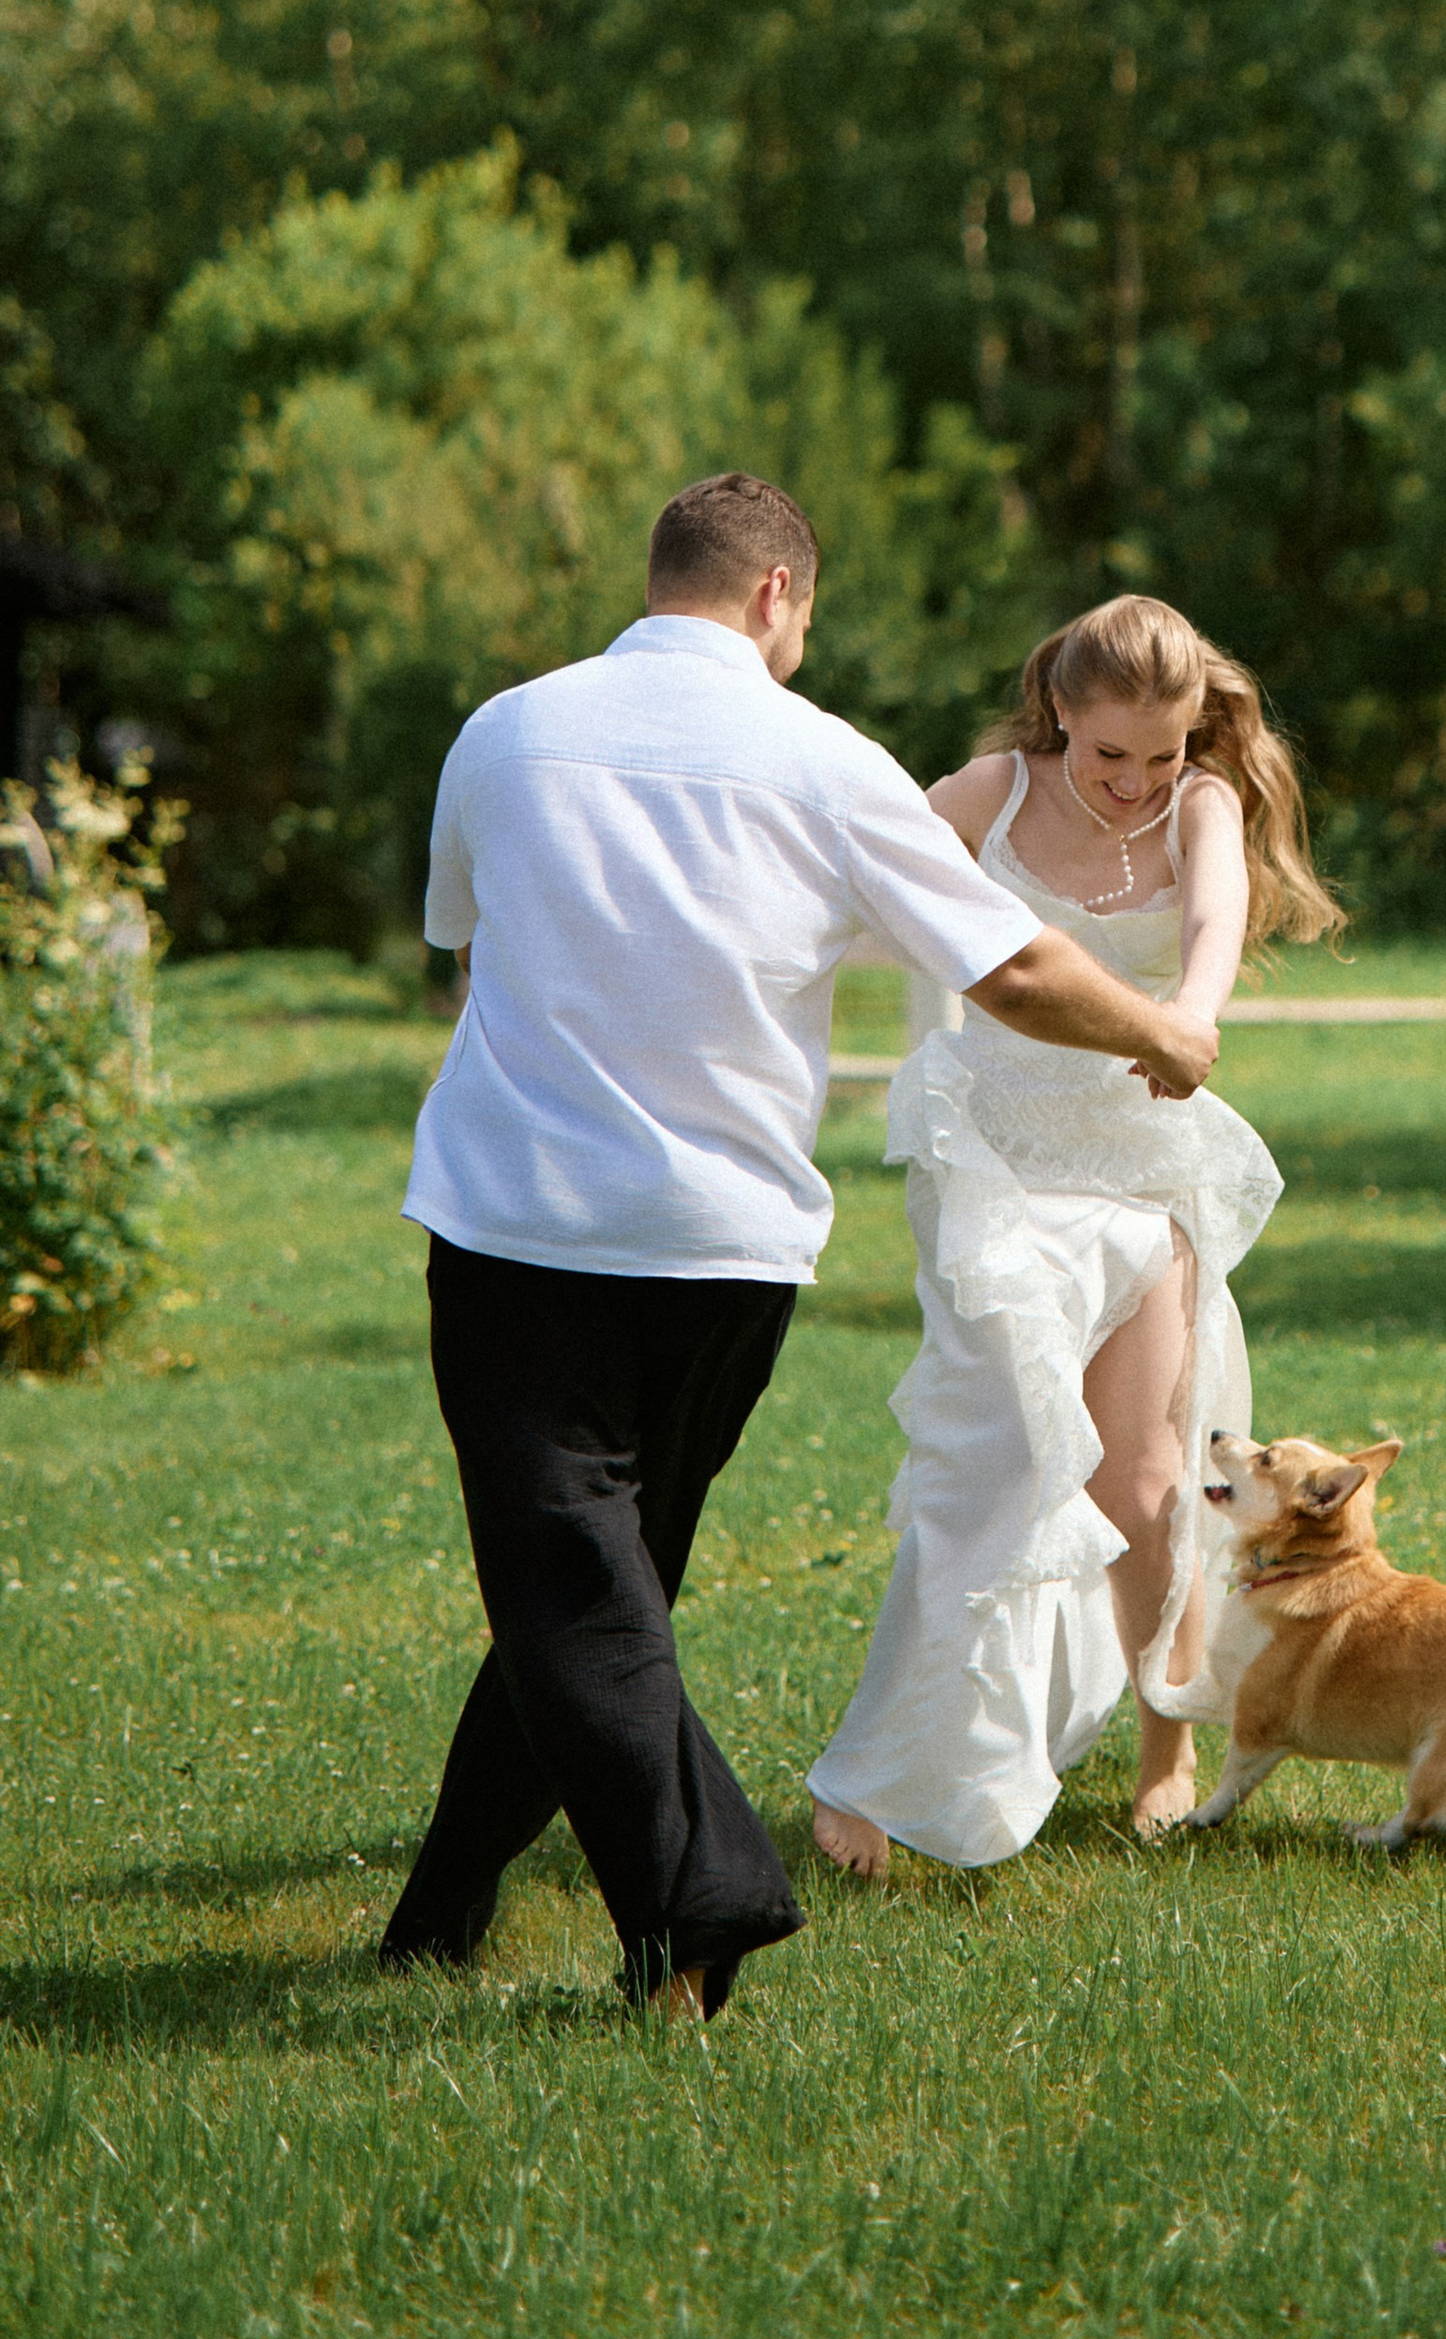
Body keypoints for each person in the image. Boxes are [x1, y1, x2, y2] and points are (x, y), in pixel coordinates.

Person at [378, 477, 1216, 2023]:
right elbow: (1016, 968)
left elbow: (466, 938)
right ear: (777, 598)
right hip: (728, 1255)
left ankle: (704, 1908)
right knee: (599, 1587)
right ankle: (441, 1909)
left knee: (575, 1591)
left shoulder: (503, 731)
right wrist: (1162, 1028)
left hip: (520, 1232)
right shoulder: (832, 764)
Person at [806, 594, 1340, 1874]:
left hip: (1139, 1162)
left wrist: (1191, 1021)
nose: (1134, 782)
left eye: (1161, 755)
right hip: (992, 1155)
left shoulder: (1198, 806)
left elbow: (1212, 929)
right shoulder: (986, 793)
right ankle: (880, 1775)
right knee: (992, 1459)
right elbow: (844, 878)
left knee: (1146, 1480)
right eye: (1111, 756)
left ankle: (1170, 1749)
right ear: (1059, 712)